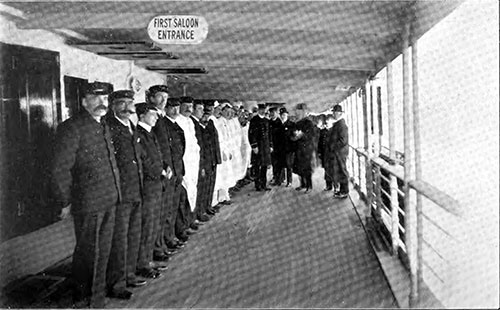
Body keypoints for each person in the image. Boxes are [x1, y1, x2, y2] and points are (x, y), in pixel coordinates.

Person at [50, 82, 120, 308]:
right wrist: (64, 201)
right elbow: (60, 168)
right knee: (89, 250)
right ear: (84, 102)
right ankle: (83, 297)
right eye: (96, 98)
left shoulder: (103, 125)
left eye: (106, 99)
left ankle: (96, 295)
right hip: (89, 200)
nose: (103, 103)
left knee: (104, 249)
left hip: (109, 197)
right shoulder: (73, 127)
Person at [105, 90, 145, 299]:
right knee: (119, 240)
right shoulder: (109, 128)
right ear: (113, 105)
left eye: (130, 102)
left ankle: (129, 274)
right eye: (122, 103)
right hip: (121, 193)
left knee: (133, 235)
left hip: (136, 190)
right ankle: (116, 283)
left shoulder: (131, 125)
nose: (127, 107)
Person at [148, 86, 185, 253]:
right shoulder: (152, 118)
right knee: (161, 213)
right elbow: (154, 149)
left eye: (165, 97)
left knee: (169, 209)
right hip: (162, 173)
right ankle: (158, 246)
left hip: (173, 171)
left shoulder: (163, 119)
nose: (163, 101)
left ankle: (167, 239)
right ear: (151, 98)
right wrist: (164, 167)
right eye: (159, 97)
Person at [135, 102, 165, 281]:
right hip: (148, 185)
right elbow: (144, 160)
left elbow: (157, 155)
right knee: (147, 224)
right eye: (152, 114)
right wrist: (159, 171)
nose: (155, 118)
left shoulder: (150, 133)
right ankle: (142, 263)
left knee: (153, 222)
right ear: (142, 116)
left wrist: (165, 167)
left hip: (155, 184)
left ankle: (148, 258)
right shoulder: (139, 134)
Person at [190, 99, 212, 222]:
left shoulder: (197, 124)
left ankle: (201, 211)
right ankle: (197, 214)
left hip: (203, 161)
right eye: (199, 109)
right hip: (197, 163)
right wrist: (202, 165)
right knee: (197, 191)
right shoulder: (194, 124)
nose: (202, 111)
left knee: (201, 189)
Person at [202, 102, 222, 214]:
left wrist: (217, 159)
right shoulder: (202, 125)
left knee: (211, 184)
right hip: (207, 160)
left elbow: (215, 142)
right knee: (206, 186)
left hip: (212, 159)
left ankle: (208, 206)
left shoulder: (210, 123)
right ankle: (204, 209)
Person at [326, 104, 349, 198]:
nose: (334, 114)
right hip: (338, 152)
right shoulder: (338, 124)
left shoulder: (342, 125)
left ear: (340, 113)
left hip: (340, 152)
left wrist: (332, 146)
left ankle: (345, 192)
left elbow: (343, 141)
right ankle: (342, 190)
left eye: (336, 112)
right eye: (334, 112)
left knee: (342, 172)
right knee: (340, 171)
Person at [249, 103, 273, 191]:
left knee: (264, 166)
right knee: (257, 166)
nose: (263, 111)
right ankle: (257, 185)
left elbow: (270, 134)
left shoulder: (267, 121)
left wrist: (270, 145)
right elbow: (251, 134)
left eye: (264, 109)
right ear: (258, 110)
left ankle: (264, 184)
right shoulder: (254, 120)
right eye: (261, 109)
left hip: (266, 146)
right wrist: (254, 146)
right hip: (258, 147)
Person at [291, 103, 315, 193]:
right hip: (299, 149)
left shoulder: (309, 123)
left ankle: (309, 186)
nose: (297, 113)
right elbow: (292, 134)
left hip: (306, 150)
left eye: (299, 112)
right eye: (297, 111)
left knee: (307, 169)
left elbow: (311, 136)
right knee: (299, 168)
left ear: (304, 112)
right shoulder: (297, 123)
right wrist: (294, 136)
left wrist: (302, 135)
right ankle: (303, 184)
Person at [280, 107, 295, 187]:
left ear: (287, 115)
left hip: (289, 149)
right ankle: (282, 179)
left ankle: (290, 181)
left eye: (284, 115)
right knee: (282, 164)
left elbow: (294, 137)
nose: (283, 116)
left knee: (289, 165)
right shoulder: (279, 125)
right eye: (281, 115)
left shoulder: (291, 125)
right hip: (281, 148)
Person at [321, 114, 335, 191]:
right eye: (326, 120)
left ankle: (335, 186)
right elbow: (320, 143)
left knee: (333, 169)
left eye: (328, 120)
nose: (327, 122)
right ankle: (328, 185)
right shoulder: (323, 131)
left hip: (332, 153)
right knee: (327, 170)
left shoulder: (334, 131)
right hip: (325, 153)